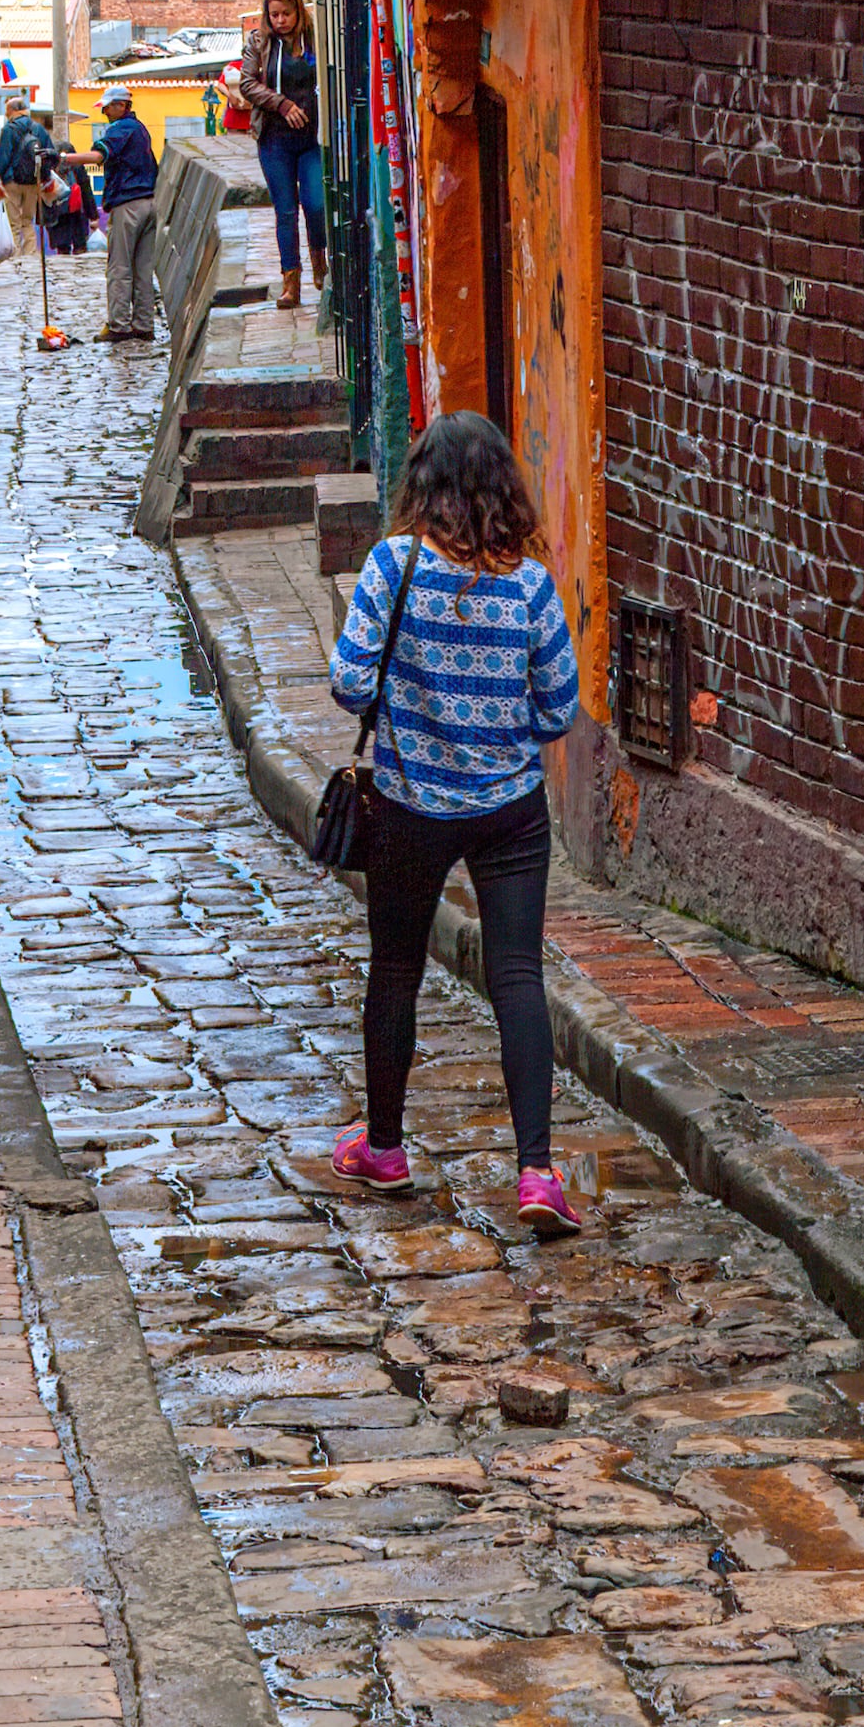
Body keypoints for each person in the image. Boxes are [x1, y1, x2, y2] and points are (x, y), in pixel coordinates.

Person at [327, 416, 588, 1236]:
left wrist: (415, 705)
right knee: (517, 977)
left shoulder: (391, 566)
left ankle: (385, 1147)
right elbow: (560, 707)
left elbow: (347, 680)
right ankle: (538, 1173)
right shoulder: (531, 587)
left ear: (423, 485)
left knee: (397, 967)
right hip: (511, 812)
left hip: (411, 806)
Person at [236, 0, 324, 312]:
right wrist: (281, 104)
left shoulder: (316, 38)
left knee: (315, 203)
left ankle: (321, 264)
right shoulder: (259, 42)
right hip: (274, 139)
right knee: (285, 210)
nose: (280, 21)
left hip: (312, 138)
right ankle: (291, 282)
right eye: (274, 15)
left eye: (286, 13)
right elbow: (247, 83)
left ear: (297, 12)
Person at [95, 93, 164, 343]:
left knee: (120, 267)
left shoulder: (121, 129)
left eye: (106, 108)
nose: (104, 114)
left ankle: (119, 325)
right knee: (143, 269)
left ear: (120, 106)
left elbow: (100, 155)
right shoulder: (141, 130)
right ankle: (144, 325)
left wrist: (64, 159)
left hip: (128, 203)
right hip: (150, 201)